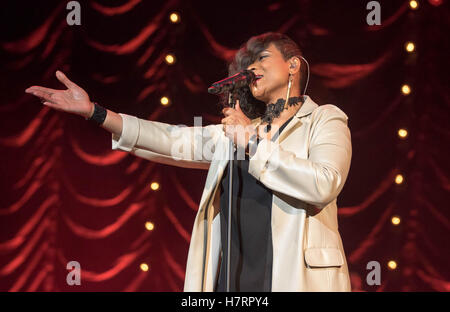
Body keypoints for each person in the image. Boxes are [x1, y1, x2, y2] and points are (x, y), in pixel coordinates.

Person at [25, 32, 352, 292]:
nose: (250, 67)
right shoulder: (235, 130)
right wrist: (95, 113)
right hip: (231, 282)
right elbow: (169, 139)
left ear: (293, 65)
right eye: (247, 62)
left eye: (262, 58)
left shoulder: (323, 119)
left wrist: (252, 143)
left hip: (294, 280)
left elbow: (324, 183)